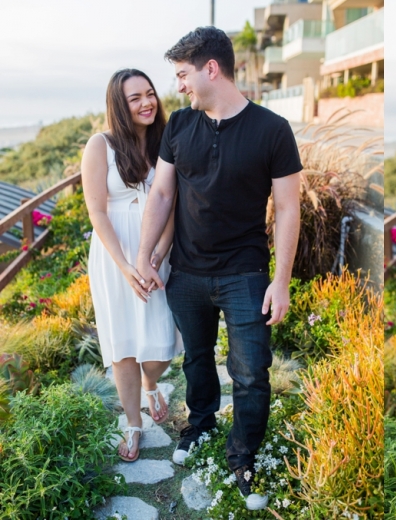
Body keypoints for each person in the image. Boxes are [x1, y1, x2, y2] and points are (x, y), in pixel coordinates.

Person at [134, 27, 301, 511]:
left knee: (251, 373)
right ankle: (200, 423)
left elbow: (288, 209)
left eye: (183, 74)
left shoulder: (273, 129)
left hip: (245, 273)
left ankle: (243, 453)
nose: (179, 86)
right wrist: (147, 255)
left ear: (211, 69)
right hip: (185, 271)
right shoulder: (180, 127)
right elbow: (163, 193)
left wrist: (281, 280)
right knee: (197, 359)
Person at [82, 68, 184, 462]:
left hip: (158, 251)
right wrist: (125, 266)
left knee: (160, 348)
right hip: (114, 257)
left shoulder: (166, 142)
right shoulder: (100, 146)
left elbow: (172, 202)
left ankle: (151, 382)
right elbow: (97, 211)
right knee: (122, 343)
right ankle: (133, 423)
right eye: (134, 98)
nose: (146, 103)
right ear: (119, 107)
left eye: (149, 94)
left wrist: (156, 255)